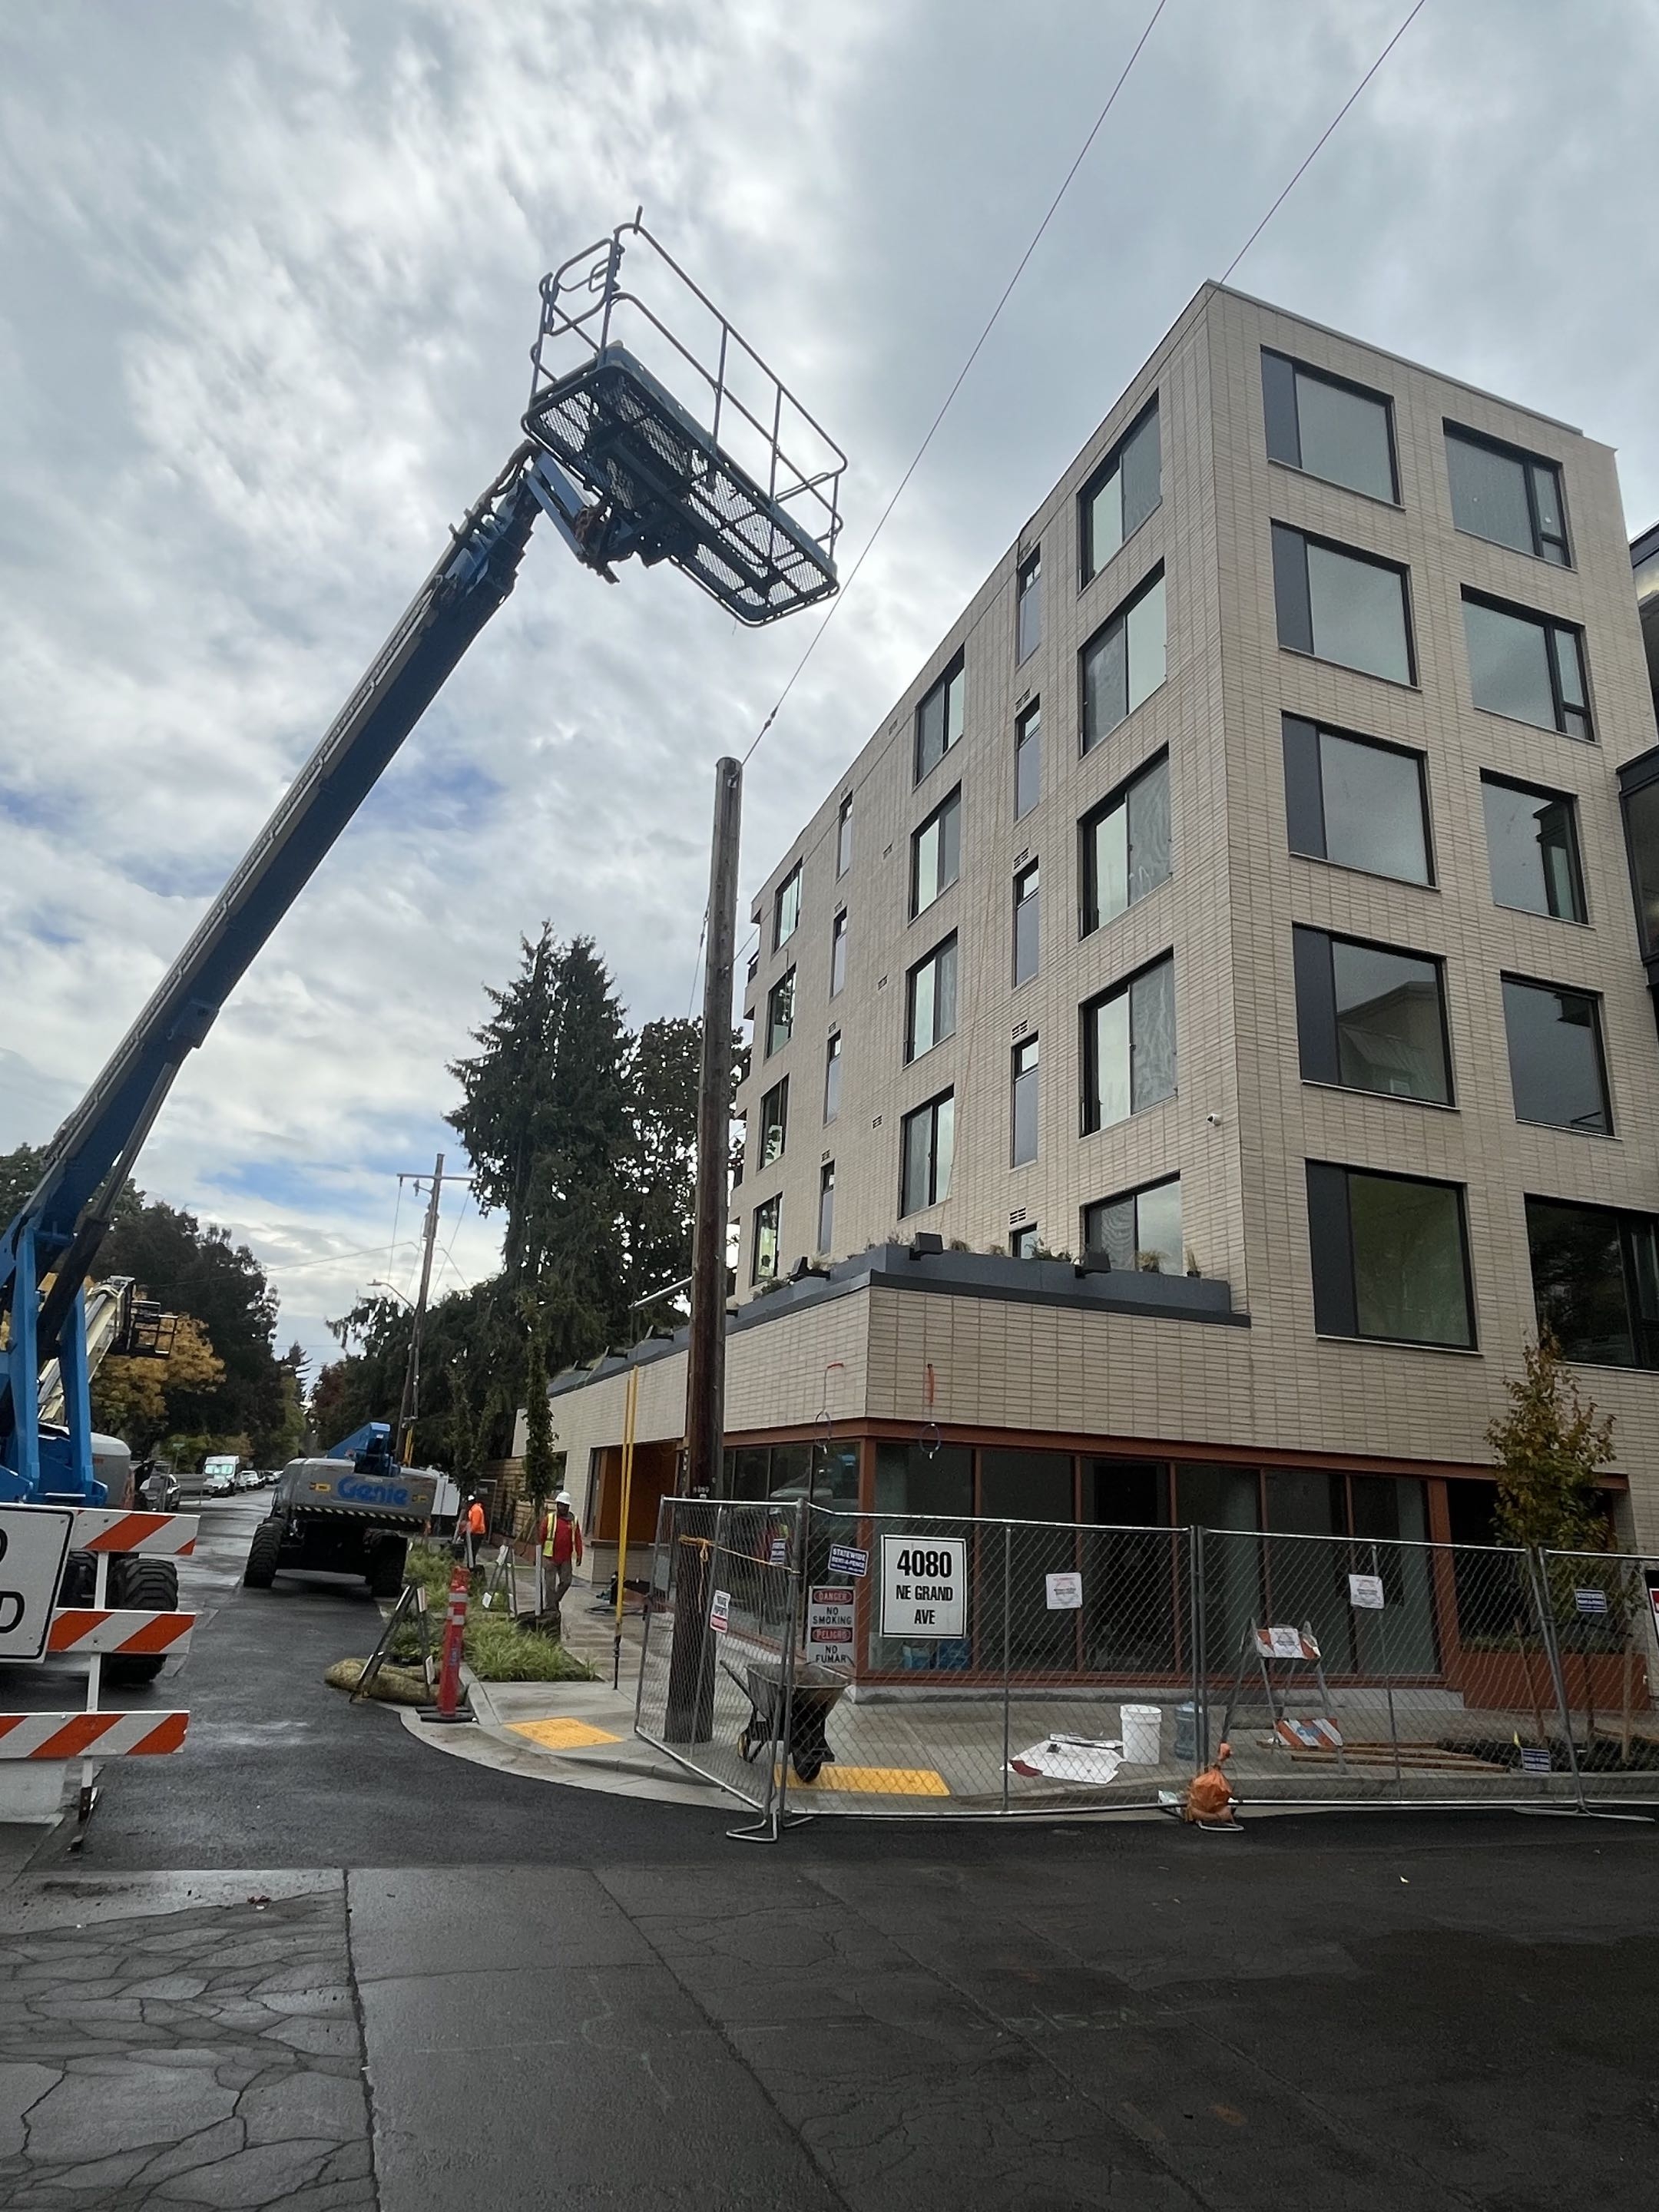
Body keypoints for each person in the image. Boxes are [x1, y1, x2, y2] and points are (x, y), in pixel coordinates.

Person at [536, 1490, 584, 1634]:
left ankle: (554, 1601)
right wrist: (540, 1554)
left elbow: (578, 1538)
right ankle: (551, 1609)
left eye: (564, 1506)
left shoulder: (573, 1521)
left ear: (568, 1507)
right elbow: (542, 1535)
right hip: (550, 1556)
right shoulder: (549, 1519)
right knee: (550, 1585)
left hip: (565, 1558)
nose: (562, 1508)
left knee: (567, 1581)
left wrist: (579, 1555)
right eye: (560, 1505)